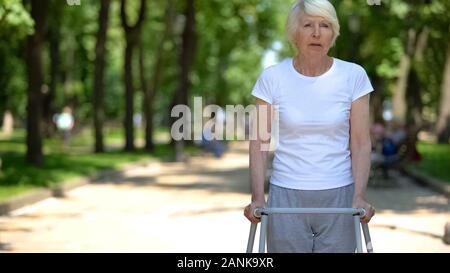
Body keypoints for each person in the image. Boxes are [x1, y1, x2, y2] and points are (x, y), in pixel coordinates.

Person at [244, 0, 375, 253]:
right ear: (295, 33)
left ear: (333, 33)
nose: (316, 33)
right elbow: (259, 143)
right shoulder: (272, 78)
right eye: (308, 25)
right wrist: (257, 197)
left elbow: (360, 142)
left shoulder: (353, 76)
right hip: (286, 196)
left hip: (339, 195)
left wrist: (359, 195)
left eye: (325, 25)